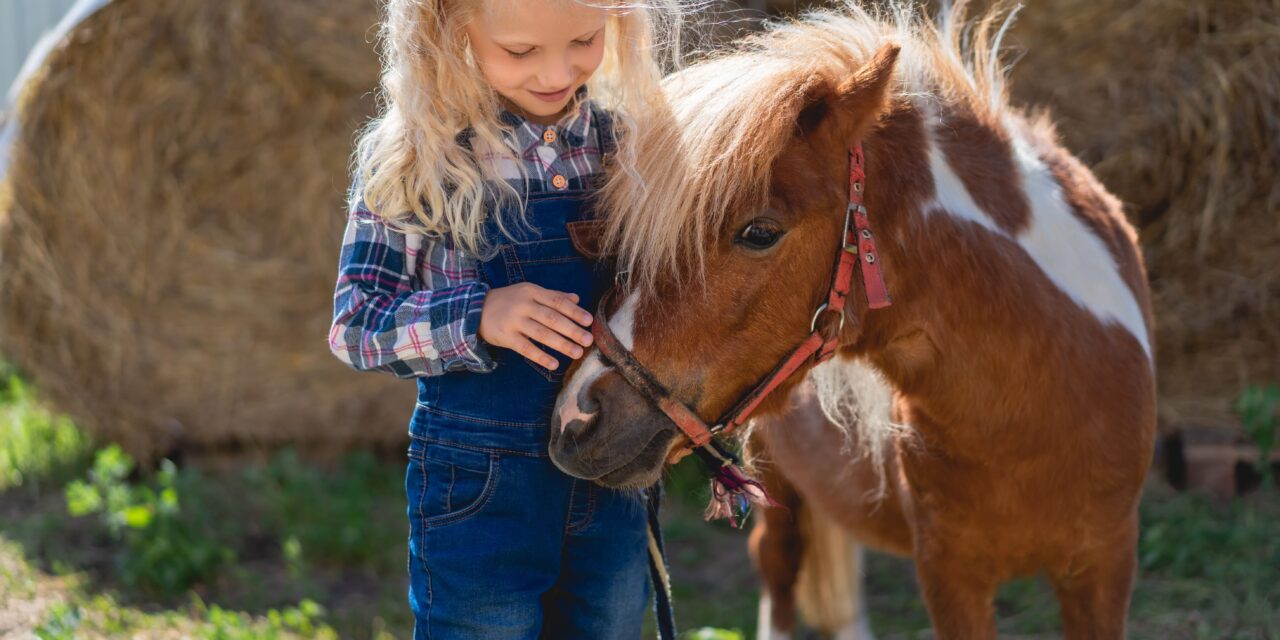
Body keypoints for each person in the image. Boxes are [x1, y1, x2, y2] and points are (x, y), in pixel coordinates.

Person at [327, 0, 684, 637]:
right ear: (450, 27)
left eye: (583, 40)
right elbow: (356, 325)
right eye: (521, 51)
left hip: (609, 472)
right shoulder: (418, 158)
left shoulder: (625, 148)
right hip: (481, 488)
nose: (556, 71)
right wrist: (478, 316)